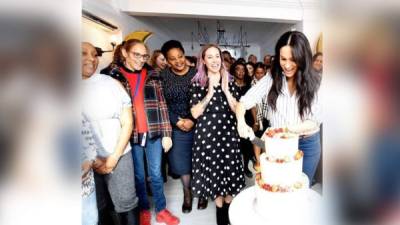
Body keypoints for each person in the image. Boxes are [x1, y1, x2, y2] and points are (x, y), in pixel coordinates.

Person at [105, 39, 179, 225]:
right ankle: (144, 209)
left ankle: (161, 209)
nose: (141, 59)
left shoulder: (153, 74)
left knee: (156, 174)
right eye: (136, 54)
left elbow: (162, 104)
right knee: (138, 175)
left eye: (144, 55)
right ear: (124, 53)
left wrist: (167, 133)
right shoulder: (113, 76)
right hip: (131, 135)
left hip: (153, 132)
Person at [236, 31, 322, 185]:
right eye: (283, 59)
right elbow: (244, 102)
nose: (287, 65)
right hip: (279, 143)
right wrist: (241, 121)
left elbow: (314, 121)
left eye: (293, 59)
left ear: (303, 57)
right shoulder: (272, 77)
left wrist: (281, 131)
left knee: (300, 188)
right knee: (279, 184)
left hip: (307, 144)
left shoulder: (316, 81)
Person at [82, 42, 139, 225]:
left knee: (126, 203)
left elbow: (128, 122)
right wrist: (94, 160)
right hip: (85, 162)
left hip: (119, 153)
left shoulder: (111, 83)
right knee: (98, 208)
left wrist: (114, 157)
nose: (91, 58)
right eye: (83, 53)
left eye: (94, 54)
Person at [190, 44, 245, 225]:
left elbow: (237, 110)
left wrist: (227, 92)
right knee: (215, 180)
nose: (215, 60)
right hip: (208, 137)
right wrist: (209, 94)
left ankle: (228, 214)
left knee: (230, 176)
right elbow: (195, 114)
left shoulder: (229, 81)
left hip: (228, 135)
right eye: (210, 57)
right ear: (203, 61)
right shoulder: (198, 82)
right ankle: (221, 218)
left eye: (217, 56)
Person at [160, 40, 199, 213]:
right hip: (176, 126)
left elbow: (206, 101)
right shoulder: (163, 76)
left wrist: (192, 119)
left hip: (199, 124)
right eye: (173, 59)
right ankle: (187, 193)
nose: (178, 61)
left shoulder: (197, 74)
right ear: (167, 61)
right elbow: (161, 103)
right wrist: (177, 120)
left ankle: (203, 193)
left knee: (201, 160)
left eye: (180, 56)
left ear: (185, 55)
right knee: (182, 164)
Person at [230, 61, 254, 178]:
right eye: (238, 69)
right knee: (235, 146)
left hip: (248, 118)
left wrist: (255, 121)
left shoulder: (249, 85)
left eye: (243, 70)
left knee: (247, 145)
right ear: (234, 70)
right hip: (233, 119)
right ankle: (237, 168)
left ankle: (245, 168)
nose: (241, 72)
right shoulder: (229, 85)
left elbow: (253, 105)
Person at [250, 62, 269, 171]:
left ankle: (264, 160)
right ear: (254, 73)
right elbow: (252, 104)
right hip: (257, 117)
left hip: (267, 116)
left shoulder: (268, 83)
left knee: (265, 140)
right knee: (256, 139)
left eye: (262, 73)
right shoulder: (253, 84)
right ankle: (258, 161)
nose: (259, 75)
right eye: (257, 73)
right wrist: (256, 121)